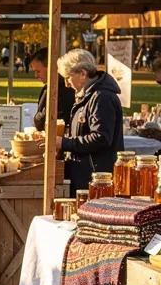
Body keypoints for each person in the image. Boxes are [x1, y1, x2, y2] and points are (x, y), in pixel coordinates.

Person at [55, 48, 124, 195]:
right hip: (86, 176)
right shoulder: (87, 96)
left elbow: (100, 139)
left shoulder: (101, 98)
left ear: (83, 73)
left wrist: (64, 143)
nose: (66, 84)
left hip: (97, 179)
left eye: (68, 77)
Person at [30, 47, 75, 132]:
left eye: (38, 71)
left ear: (51, 68)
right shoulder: (48, 88)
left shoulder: (65, 89)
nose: (36, 75)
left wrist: (38, 118)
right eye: (34, 71)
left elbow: (51, 119)